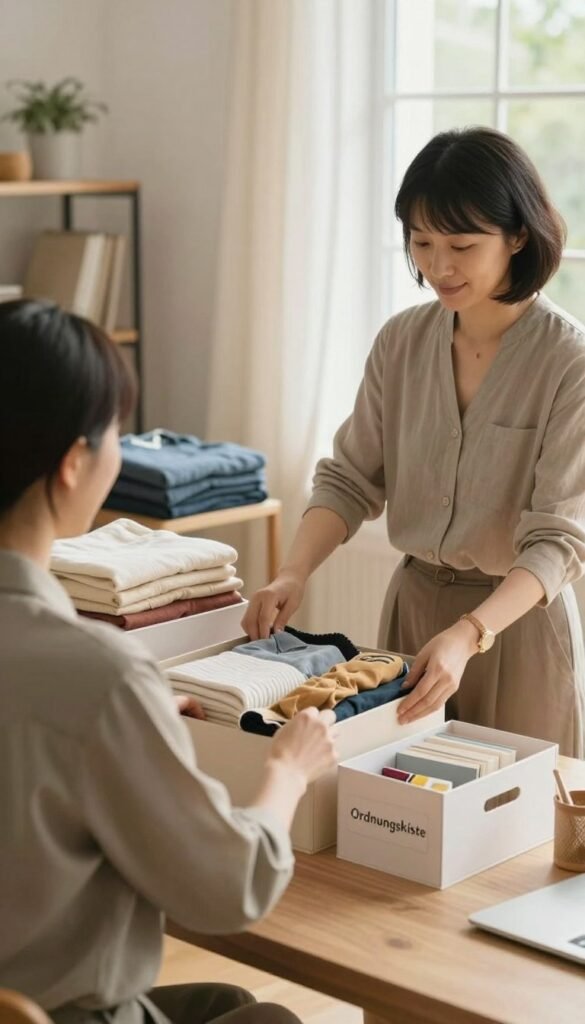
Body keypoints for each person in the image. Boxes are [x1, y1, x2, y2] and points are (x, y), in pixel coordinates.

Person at [0, 300, 337, 1024]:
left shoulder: (102, 684)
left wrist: (131, 722)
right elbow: (228, 891)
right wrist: (287, 772)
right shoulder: (97, 675)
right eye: (118, 431)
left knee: (227, 1002)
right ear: (72, 463)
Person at [243, 126, 585, 758]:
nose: (438, 265)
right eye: (421, 242)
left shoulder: (570, 360)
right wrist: (293, 572)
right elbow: (350, 477)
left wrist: (470, 634)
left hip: (517, 625)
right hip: (411, 613)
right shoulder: (401, 342)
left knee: (520, 835)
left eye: (461, 243)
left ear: (517, 236)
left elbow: (557, 541)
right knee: (396, 819)